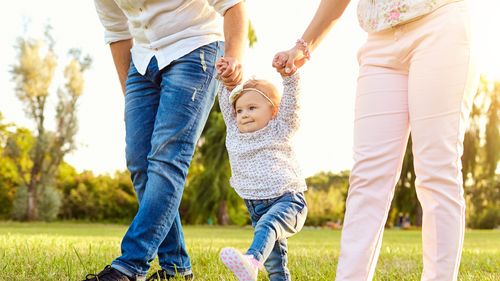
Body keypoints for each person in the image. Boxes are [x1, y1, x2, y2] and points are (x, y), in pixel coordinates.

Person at [273, 0, 478, 280]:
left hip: (439, 24)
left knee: (436, 170)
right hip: (379, 39)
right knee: (368, 176)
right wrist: (304, 45)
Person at [86, 1, 247, 280]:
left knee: (167, 157)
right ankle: (177, 267)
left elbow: (232, 5)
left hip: (196, 47)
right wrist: (133, 103)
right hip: (142, 59)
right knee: (139, 161)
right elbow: (117, 33)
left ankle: (131, 264)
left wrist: (234, 55)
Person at [216, 58, 308, 281]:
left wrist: (290, 76)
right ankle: (266, 268)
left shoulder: (280, 127)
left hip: (288, 202)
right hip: (256, 206)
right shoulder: (235, 132)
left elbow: (292, 104)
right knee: (275, 265)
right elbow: (225, 101)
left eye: (252, 108)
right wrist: (223, 76)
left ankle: (251, 260)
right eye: (239, 110)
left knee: (268, 225)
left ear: (274, 110)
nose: (244, 114)